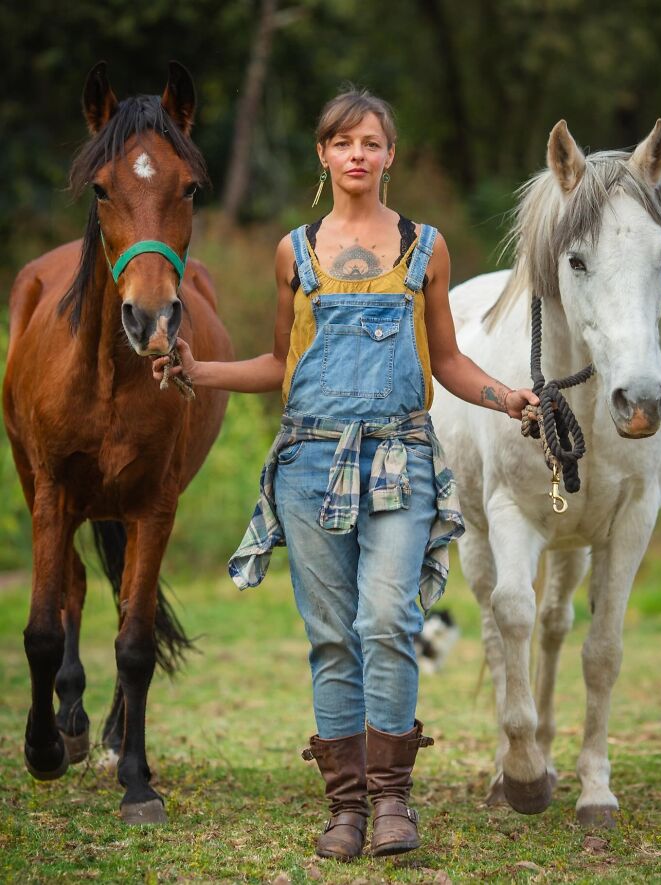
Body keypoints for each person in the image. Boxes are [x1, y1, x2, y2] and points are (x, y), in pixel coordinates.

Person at [153, 89, 538, 861]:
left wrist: (512, 399)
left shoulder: (427, 248)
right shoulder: (293, 251)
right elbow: (279, 363)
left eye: (370, 142)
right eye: (342, 142)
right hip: (308, 462)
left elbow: (451, 361)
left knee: (388, 621)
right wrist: (200, 368)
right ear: (323, 157)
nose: (357, 154)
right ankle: (347, 809)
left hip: (401, 456)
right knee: (332, 639)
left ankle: (394, 801)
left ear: (388, 155)